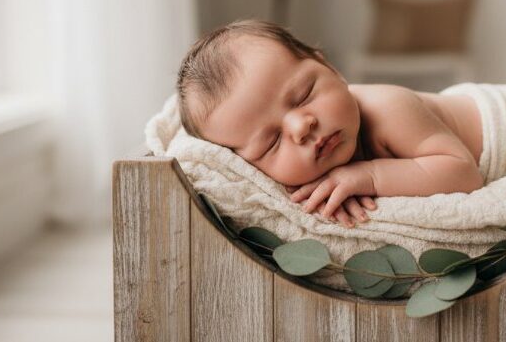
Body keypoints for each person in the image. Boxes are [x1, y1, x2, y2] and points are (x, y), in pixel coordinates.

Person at [176, 19, 485, 229]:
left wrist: (369, 176)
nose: (301, 127)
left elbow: (464, 173)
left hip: (504, 122)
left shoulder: (388, 108)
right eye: (271, 142)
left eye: (303, 95)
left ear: (329, 67)